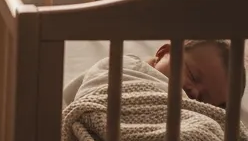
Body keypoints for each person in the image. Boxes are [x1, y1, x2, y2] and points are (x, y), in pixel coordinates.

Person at [63, 39, 242, 110]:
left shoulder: (193, 115)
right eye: (193, 76)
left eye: (205, 98)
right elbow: (74, 95)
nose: (193, 93)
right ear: (163, 52)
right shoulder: (127, 66)